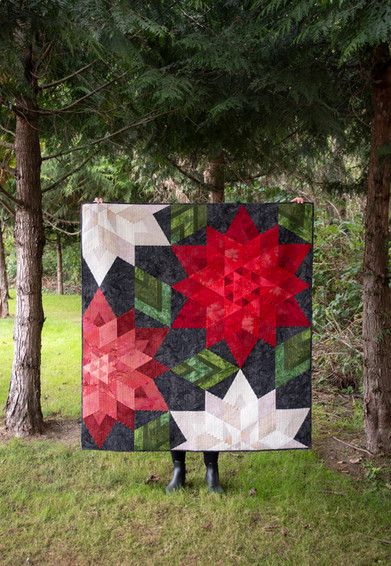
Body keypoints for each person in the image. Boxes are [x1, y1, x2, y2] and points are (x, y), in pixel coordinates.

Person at [165, 196, 306, 494]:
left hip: (222, 328)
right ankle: (178, 467)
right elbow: (167, 260)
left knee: (216, 399)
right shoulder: (188, 243)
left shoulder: (220, 247)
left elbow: (267, 251)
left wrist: (292, 213)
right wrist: (103, 212)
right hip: (189, 328)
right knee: (177, 395)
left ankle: (211, 470)